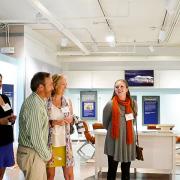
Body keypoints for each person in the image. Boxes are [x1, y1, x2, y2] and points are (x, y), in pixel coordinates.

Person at [17, 72, 54, 180]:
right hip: (32, 154)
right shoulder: (35, 106)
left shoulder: (39, 102)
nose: (52, 88)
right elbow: (36, 138)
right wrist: (48, 155)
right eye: (50, 84)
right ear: (40, 87)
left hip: (35, 153)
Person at [103, 79, 137, 180]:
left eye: (122, 86)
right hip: (114, 141)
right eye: (117, 87)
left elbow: (133, 122)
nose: (119, 88)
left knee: (126, 170)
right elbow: (105, 123)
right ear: (114, 89)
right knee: (112, 170)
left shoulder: (133, 104)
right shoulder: (110, 104)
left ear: (127, 89)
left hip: (128, 141)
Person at [47, 74, 74, 180]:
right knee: (50, 175)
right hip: (50, 143)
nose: (65, 86)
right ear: (55, 85)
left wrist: (71, 119)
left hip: (65, 143)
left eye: (66, 84)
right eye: (63, 84)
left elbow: (72, 118)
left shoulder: (67, 101)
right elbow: (41, 122)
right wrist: (53, 122)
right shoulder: (46, 101)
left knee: (69, 175)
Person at [0, 73, 16, 180]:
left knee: (1, 174)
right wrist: (2, 121)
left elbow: (9, 114)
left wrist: (11, 119)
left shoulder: (4, 97)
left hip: (7, 140)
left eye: (0, 81)